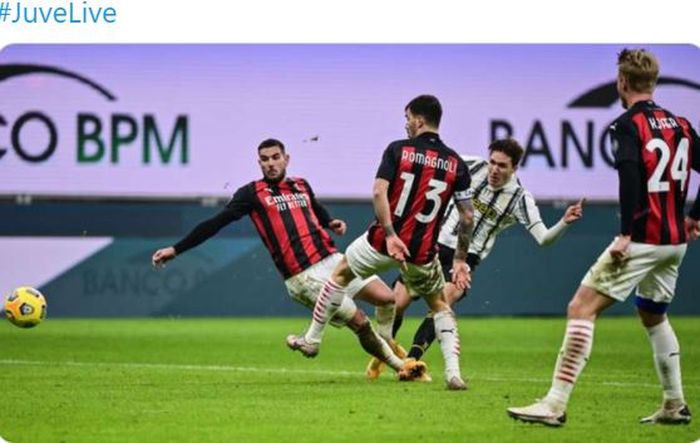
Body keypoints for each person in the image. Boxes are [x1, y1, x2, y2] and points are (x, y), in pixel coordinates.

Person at [507, 48, 700, 426]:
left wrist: (626, 233)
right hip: (674, 242)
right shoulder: (681, 124)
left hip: (643, 238)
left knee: (581, 309)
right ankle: (674, 404)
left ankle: (554, 404)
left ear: (622, 83)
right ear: (654, 83)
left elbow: (629, 176)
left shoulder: (626, 125)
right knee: (652, 314)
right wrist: (694, 217)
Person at [152, 138, 422, 380]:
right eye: (265, 159)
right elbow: (215, 223)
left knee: (388, 299)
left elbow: (314, 208)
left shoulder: (301, 184)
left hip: (333, 260)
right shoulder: (251, 193)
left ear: (286, 158)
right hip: (303, 275)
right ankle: (400, 365)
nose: (271, 164)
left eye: (275, 157)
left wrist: (331, 222)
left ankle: (384, 343)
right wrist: (176, 249)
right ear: (259, 163)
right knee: (361, 323)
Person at [286, 95, 476, 390]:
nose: (406, 124)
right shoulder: (456, 163)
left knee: (340, 274)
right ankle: (454, 374)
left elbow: (378, 192)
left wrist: (390, 234)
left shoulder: (398, 149)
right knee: (439, 305)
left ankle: (312, 339)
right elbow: (467, 217)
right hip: (423, 251)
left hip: (383, 241)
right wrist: (461, 260)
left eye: (408, 118)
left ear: (419, 120)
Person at [366, 138, 585, 381]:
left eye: (502, 166)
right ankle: (385, 355)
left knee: (442, 304)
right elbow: (438, 169)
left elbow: (543, 238)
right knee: (397, 303)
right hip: (432, 245)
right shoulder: (469, 166)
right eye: (492, 162)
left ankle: (413, 361)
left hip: (465, 259)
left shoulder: (519, 198)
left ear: (515, 169)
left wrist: (564, 222)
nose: (494, 169)